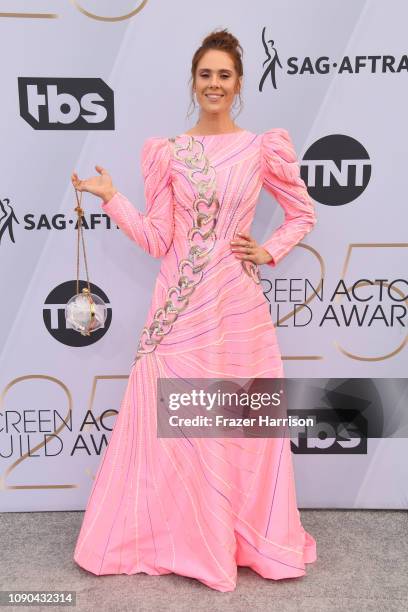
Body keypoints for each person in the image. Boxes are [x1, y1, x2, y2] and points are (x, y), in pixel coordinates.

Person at [71, 28, 317, 593]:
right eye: (205, 74)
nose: (214, 84)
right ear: (193, 81)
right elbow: (159, 239)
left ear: (238, 84)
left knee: (241, 428)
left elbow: (301, 213)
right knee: (172, 429)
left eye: (224, 75)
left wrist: (269, 249)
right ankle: (183, 540)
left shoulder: (261, 148)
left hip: (237, 308)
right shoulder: (169, 152)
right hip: (179, 313)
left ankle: (239, 537)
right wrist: (113, 197)